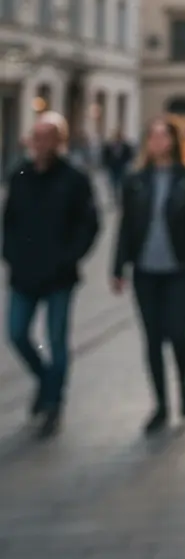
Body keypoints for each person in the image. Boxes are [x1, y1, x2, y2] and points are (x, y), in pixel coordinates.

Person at [111, 117, 185, 435]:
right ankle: (161, 405)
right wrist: (117, 268)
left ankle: (184, 386)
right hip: (145, 271)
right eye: (151, 136)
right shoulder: (135, 178)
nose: (156, 141)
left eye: (162, 136)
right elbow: (125, 227)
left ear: (174, 140)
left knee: (177, 334)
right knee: (152, 339)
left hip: (180, 270)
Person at [2, 113, 99, 437]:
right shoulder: (20, 176)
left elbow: (89, 224)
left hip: (59, 275)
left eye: (47, 137)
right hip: (24, 273)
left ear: (59, 142)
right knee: (16, 333)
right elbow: (10, 221)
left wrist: (68, 256)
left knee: (57, 341)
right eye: (36, 136)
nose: (39, 143)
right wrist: (10, 254)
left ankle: (54, 403)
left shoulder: (74, 178)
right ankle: (45, 380)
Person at [101, 128, 134, 203]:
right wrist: (106, 164)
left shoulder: (126, 146)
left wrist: (126, 163)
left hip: (121, 167)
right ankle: (113, 196)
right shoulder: (109, 146)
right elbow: (105, 156)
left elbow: (129, 155)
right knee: (112, 183)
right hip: (112, 168)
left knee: (121, 183)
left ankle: (119, 196)